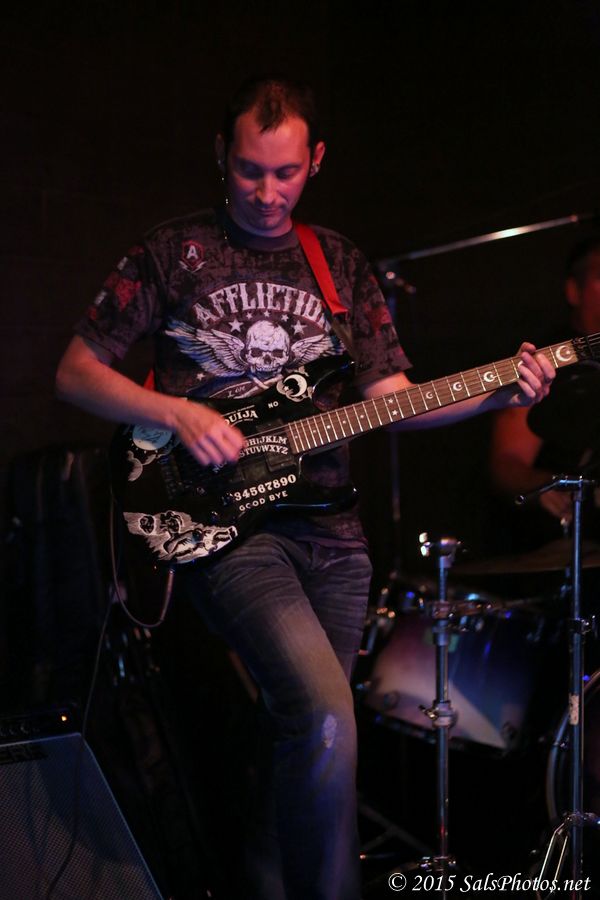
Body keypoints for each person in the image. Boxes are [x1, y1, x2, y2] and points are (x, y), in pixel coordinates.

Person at [55, 75, 555, 900]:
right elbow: (75, 372)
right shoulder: (173, 251)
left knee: (299, 734)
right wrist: (176, 412)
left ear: (315, 160)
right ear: (222, 155)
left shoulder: (340, 263)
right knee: (324, 714)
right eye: (249, 170)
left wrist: (502, 392)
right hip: (230, 530)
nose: (266, 191)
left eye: (285, 172)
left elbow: (393, 399)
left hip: (336, 539)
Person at [490, 236, 600, 551]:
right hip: (565, 542)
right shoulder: (547, 361)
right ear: (574, 290)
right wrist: (545, 485)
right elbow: (506, 463)